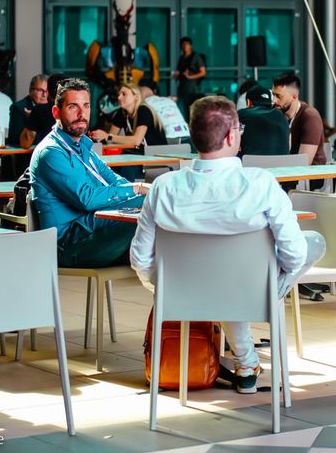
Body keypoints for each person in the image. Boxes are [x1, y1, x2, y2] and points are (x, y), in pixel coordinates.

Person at [129, 96, 325, 393]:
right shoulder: (260, 184)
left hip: (184, 293)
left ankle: (247, 361)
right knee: (313, 242)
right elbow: (294, 255)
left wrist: (166, 289)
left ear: (193, 136)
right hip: (249, 290)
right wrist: (268, 284)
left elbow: (140, 258)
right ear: (232, 136)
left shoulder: (163, 187)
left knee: (227, 280)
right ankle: (253, 326)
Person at [29, 78, 148, 268]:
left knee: (155, 204)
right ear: (56, 112)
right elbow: (87, 198)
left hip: (92, 229)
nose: (81, 114)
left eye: (86, 106)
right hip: (69, 245)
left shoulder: (83, 147)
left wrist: (146, 189)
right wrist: (139, 189)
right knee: (152, 204)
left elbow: (114, 180)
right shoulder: (51, 152)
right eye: (73, 107)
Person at [90, 82, 167, 150]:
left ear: (135, 97)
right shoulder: (121, 112)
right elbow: (110, 139)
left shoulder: (143, 110)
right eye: (119, 94)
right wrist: (99, 136)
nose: (119, 97)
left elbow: (136, 141)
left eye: (124, 94)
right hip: (140, 153)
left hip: (158, 154)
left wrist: (107, 136)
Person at [271, 72, 326, 167]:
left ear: (294, 97)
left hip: (311, 173)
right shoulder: (274, 112)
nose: (274, 100)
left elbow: (303, 163)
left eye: (278, 96)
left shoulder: (310, 117)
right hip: (282, 170)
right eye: (273, 95)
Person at [238, 85, 290, 156]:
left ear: (248, 102)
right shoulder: (282, 116)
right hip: (282, 162)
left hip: (252, 162)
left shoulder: (241, 115)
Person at [20, 73, 67, 149]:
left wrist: (31, 118)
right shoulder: (75, 109)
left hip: (49, 154)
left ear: (48, 91)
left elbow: (25, 143)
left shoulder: (39, 110)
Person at [9, 74, 48, 147]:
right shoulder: (18, 108)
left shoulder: (51, 108)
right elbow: (15, 140)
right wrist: (33, 119)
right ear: (30, 91)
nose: (44, 95)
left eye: (47, 91)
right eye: (40, 90)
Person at [173, 36, 207, 115]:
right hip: (183, 88)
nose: (185, 46)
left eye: (187, 44)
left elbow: (203, 72)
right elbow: (179, 71)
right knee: (184, 109)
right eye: (183, 44)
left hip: (192, 88)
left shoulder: (196, 57)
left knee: (192, 109)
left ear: (190, 45)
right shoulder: (182, 58)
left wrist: (190, 77)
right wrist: (177, 75)